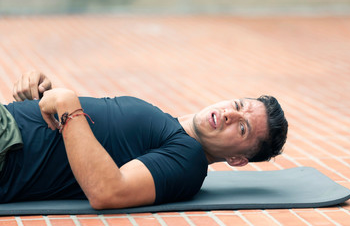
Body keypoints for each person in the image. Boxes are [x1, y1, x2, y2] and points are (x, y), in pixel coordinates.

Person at [1, 71, 288, 209]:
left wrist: (68, 107)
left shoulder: (187, 160)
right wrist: (43, 98)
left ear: (237, 160)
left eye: (242, 128)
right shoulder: (170, 127)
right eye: (237, 105)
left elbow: (108, 191)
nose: (229, 115)